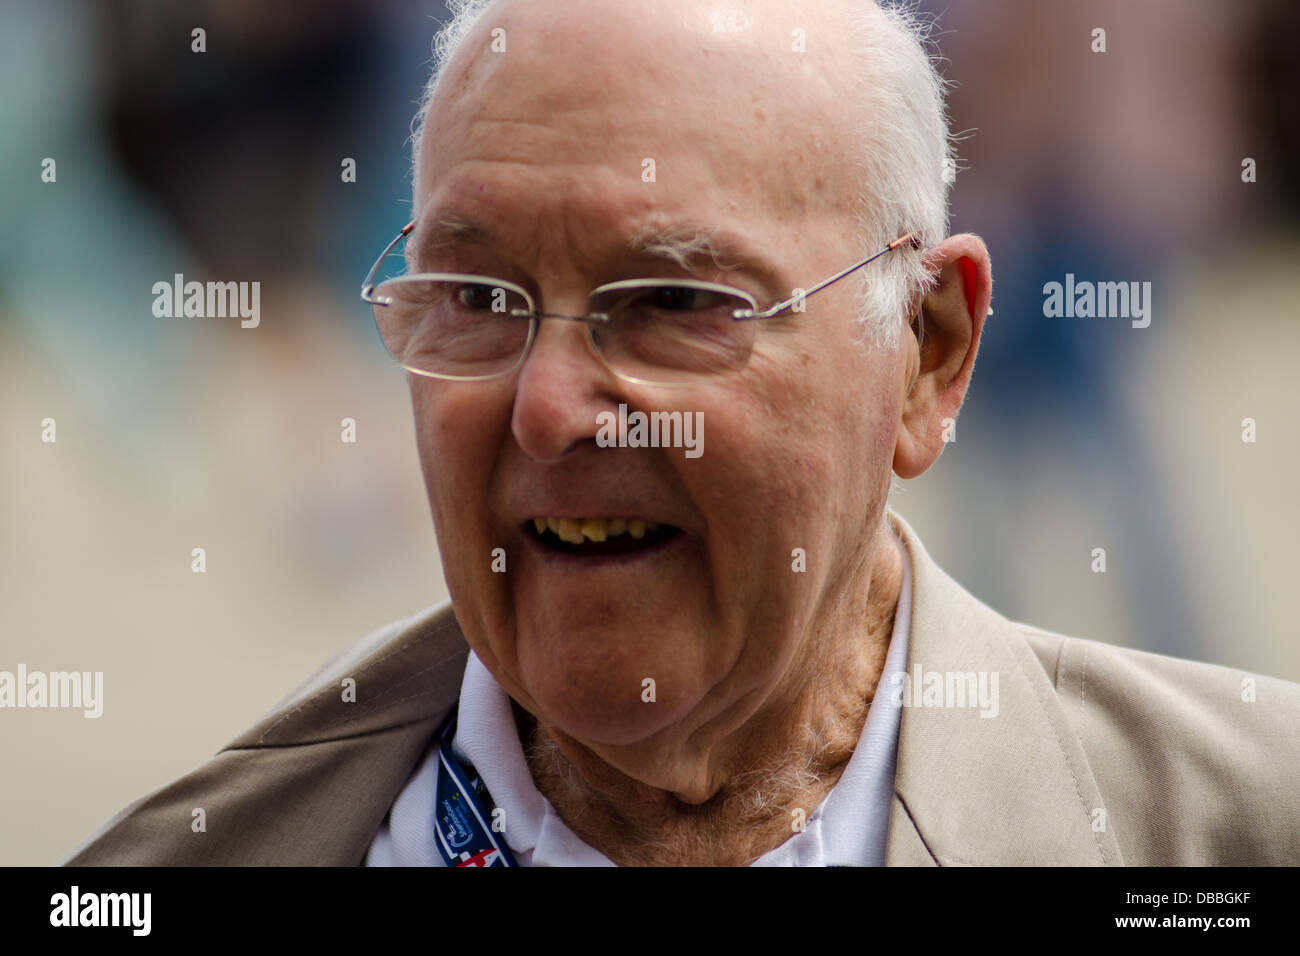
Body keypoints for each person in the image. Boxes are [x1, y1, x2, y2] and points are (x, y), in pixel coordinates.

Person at [64, 0, 1300, 867]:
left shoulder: (1236, 827)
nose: (547, 407)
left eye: (669, 303)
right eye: (481, 301)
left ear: (926, 352)